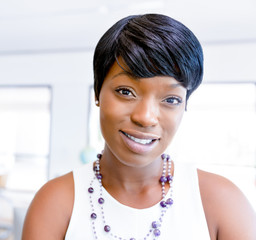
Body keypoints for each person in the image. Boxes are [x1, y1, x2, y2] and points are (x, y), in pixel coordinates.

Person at [22, 14, 256, 240]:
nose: (145, 117)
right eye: (126, 92)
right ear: (97, 92)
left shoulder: (222, 202)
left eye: (171, 99)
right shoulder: (54, 203)